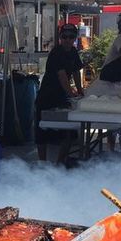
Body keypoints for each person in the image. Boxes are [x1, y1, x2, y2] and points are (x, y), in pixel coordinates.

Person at [35, 23, 83, 163]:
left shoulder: (73, 52)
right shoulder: (56, 53)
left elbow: (75, 71)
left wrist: (80, 90)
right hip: (47, 95)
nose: (68, 40)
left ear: (75, 38)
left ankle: (60, 162)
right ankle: (42, 163)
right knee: (42, 131)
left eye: (71, 37)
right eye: (65, 37)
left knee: (68, 132)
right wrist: (71, 94)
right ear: (60, 38)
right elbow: (62, 75)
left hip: (62, 96)